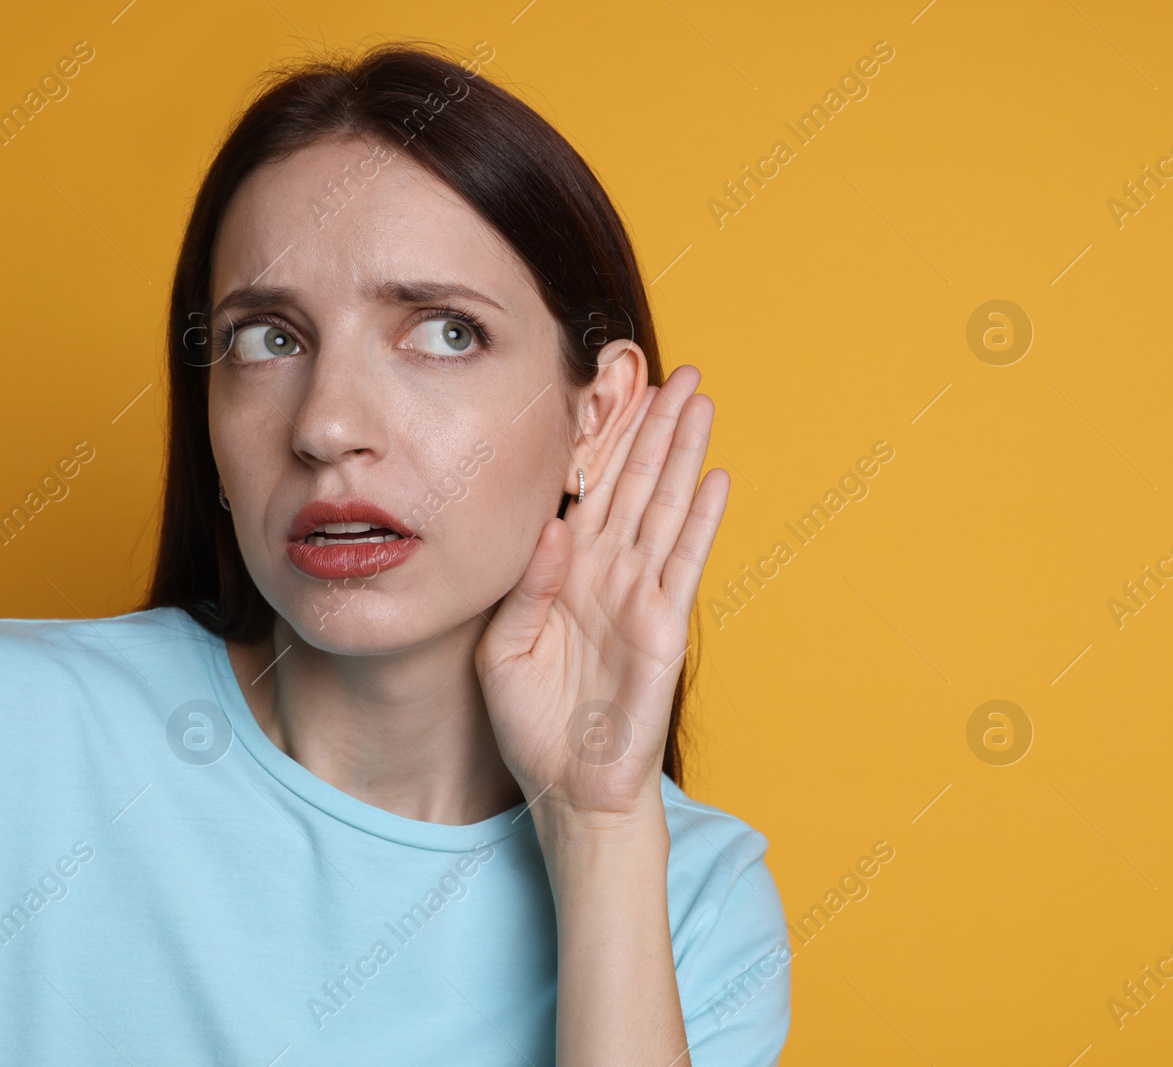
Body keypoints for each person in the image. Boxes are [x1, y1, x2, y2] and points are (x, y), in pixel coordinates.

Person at [0, 41, 790, 1066]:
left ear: (595, 417)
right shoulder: (26, 737)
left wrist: (596, 830)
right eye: (267, 339)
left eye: (445, 332)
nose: (326, 424)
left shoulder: (694, 900)